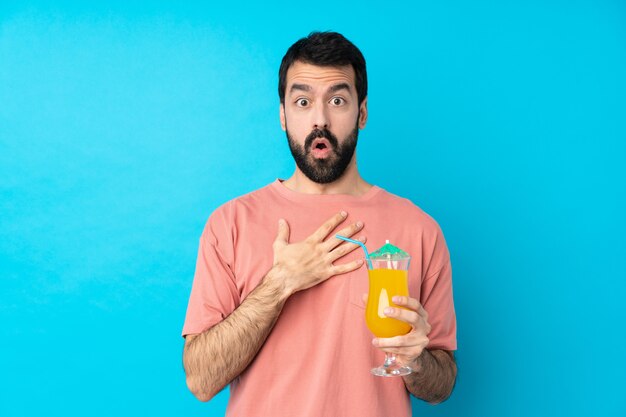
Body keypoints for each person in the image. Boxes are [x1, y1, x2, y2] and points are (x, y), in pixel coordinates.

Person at [182, 31, 457, 417]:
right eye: (302, 101)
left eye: (338, 100)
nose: (320, 119)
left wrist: (417, 359)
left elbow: (441, 385)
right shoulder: (230, 224)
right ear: (283, 115)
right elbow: (201, 380)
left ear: (361, 113)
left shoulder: (419, 229)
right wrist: (280, 284)